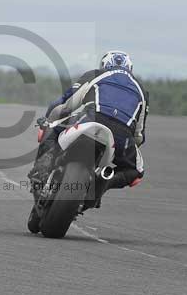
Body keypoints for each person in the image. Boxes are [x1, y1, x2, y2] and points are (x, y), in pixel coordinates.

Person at [28, 50, 148, 203]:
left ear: (104, 65)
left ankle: (41, 172)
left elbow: (64, 105)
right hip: (122, 134)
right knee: (136, 172)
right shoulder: (142, 91)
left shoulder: (95, 74)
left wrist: (47, 120)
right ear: (130, 68)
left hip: (90, 118)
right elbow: (139, 135)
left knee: (51, 127)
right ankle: (102, 184)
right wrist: (127, 148)